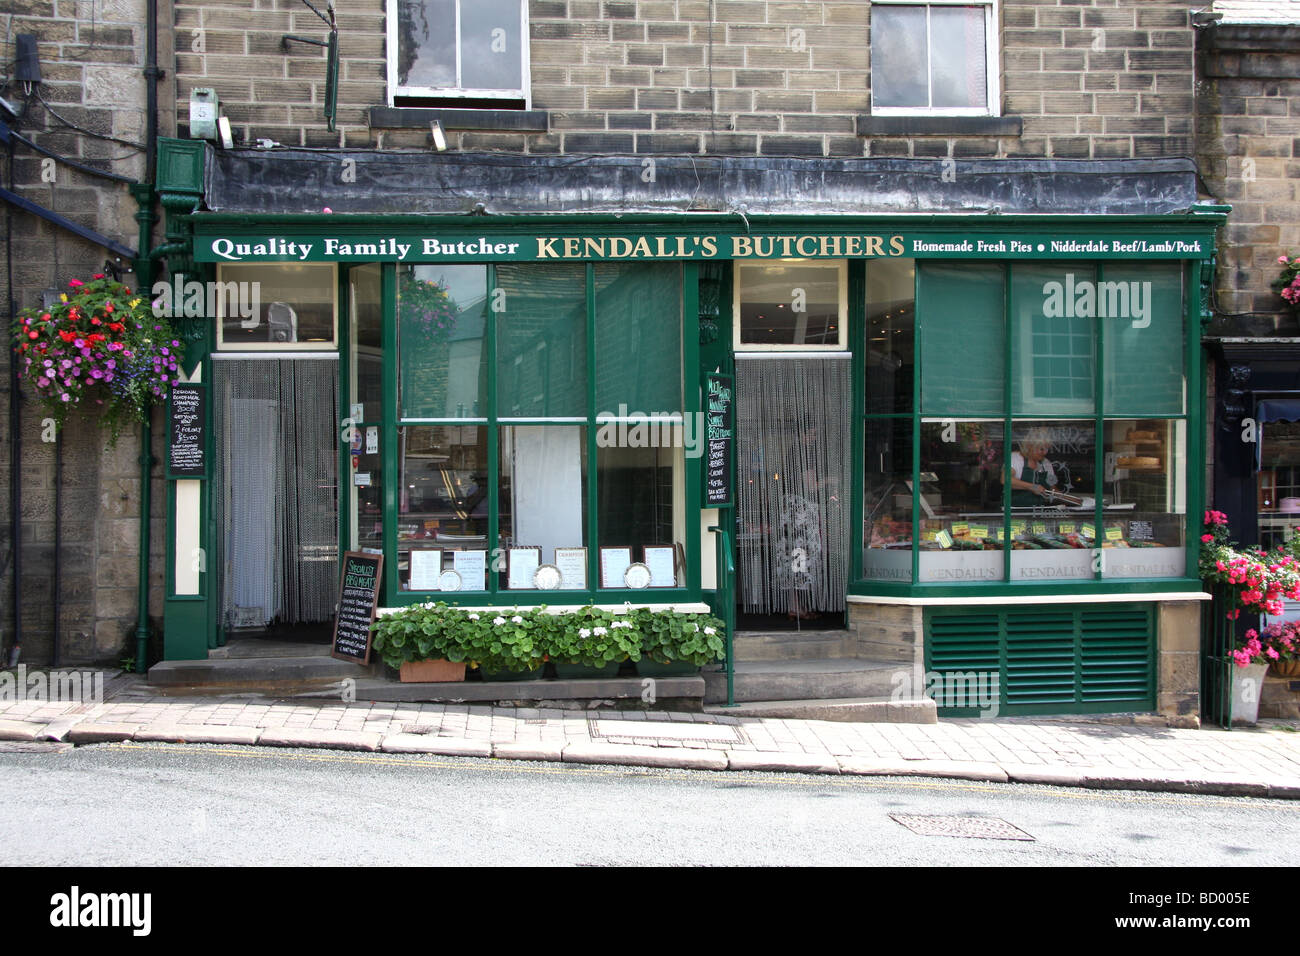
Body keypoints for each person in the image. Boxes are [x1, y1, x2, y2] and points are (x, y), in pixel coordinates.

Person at [1004, 427, 1058, 507]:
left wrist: (1063, 496)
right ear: (1030, 446)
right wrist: (1032, 487)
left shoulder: (1047, 463)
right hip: (1015, 511)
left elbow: (1052, 487)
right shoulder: (1015, 458)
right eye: (1041, 449)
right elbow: (1005, 479)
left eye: (1047, 449)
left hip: (1039, 511)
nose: (1045, 452)